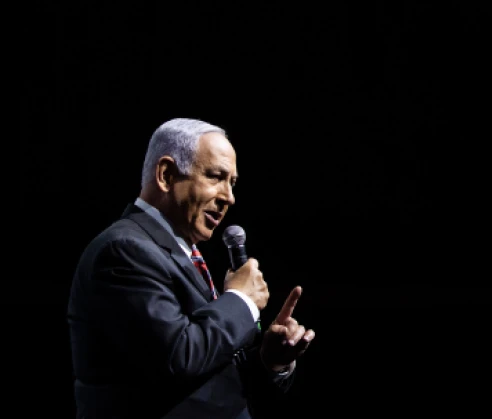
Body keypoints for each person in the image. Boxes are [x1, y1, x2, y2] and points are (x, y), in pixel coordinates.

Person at [68, 118, 316, 418]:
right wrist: (240, 300)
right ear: (166, 175)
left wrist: (270, 360)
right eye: (216, 177)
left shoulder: (180, 252)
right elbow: (178, 358)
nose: (229, 197)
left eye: (232, 183)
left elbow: (208, 375)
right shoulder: (123, 251)